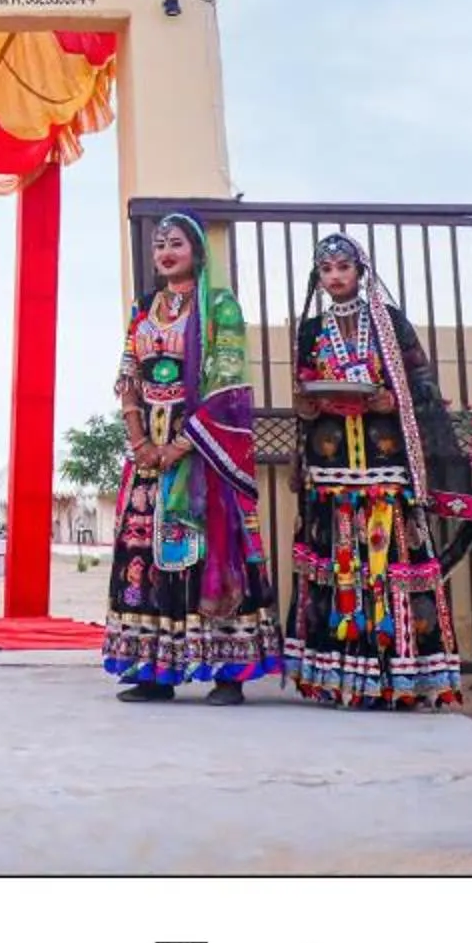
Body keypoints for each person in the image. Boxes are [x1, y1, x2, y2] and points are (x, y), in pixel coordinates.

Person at [279, 233, 472, 710]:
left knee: (389, 569)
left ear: (360, 271)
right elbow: (304, 393)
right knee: (338, 571)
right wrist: (307, 407)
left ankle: (400, 680)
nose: (335, 276)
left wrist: (392, 400)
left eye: (343, 267)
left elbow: (423, 385)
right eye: (326, 269)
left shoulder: (390, 323)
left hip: (385, 468)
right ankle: (339, 680)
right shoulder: (310, 331)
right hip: (330, 473)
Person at [102, 211, 281, 704]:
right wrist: (141, 443)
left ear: (197, 251)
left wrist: (182, 445)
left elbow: (227, 384)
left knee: (207, 555)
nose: (165, 252)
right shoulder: (144, 308)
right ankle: (154, 673)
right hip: (149, 457)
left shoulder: (220, 306)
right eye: (159, 244)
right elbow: (128, 377)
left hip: (206, 453)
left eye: (176, 243)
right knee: (144, 557)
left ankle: (228, 673)